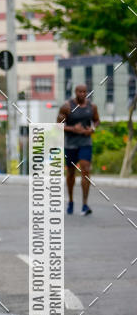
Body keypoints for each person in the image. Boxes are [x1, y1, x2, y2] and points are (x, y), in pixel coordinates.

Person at [57, 84, 100, 216]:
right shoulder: (66, 106)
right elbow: (58, 125)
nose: (82, 94)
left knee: (86, 170)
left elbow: (97, 121)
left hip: (85, 143)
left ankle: (85, 204)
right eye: (80, 92)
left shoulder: (92, 107)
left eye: (84, 92)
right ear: (75, 92)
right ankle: (70, 201)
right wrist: (72, 129)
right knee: (71, 173)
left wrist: (92, 129)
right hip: (70, 144)